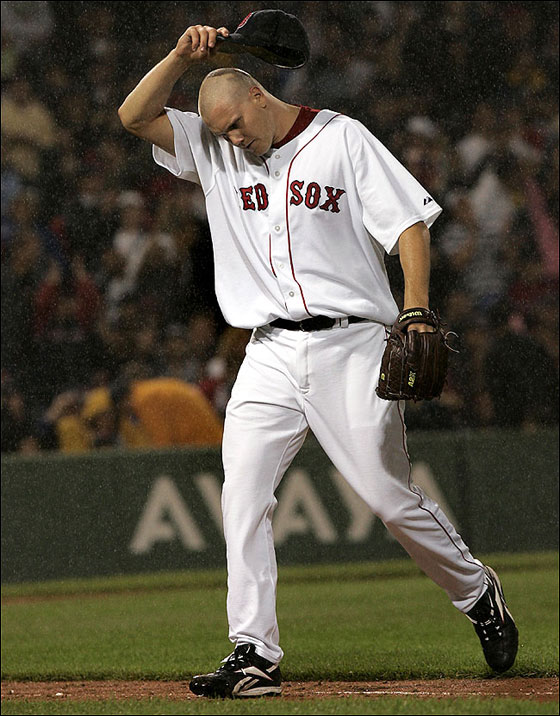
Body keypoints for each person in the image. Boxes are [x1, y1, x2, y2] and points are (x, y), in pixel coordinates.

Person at [119, 24, 518, 698]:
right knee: (242, 493)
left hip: (352, 345)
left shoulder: (342, 138)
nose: (233, 140)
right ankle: (254, 653)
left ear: (258, 94)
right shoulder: (216, 149)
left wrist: (415, 309)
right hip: (268, 350)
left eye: (239, 125)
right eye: (221, 132)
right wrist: (181, 57)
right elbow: (135, 115)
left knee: (388, 498)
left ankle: (478, 592)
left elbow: (409, 226)